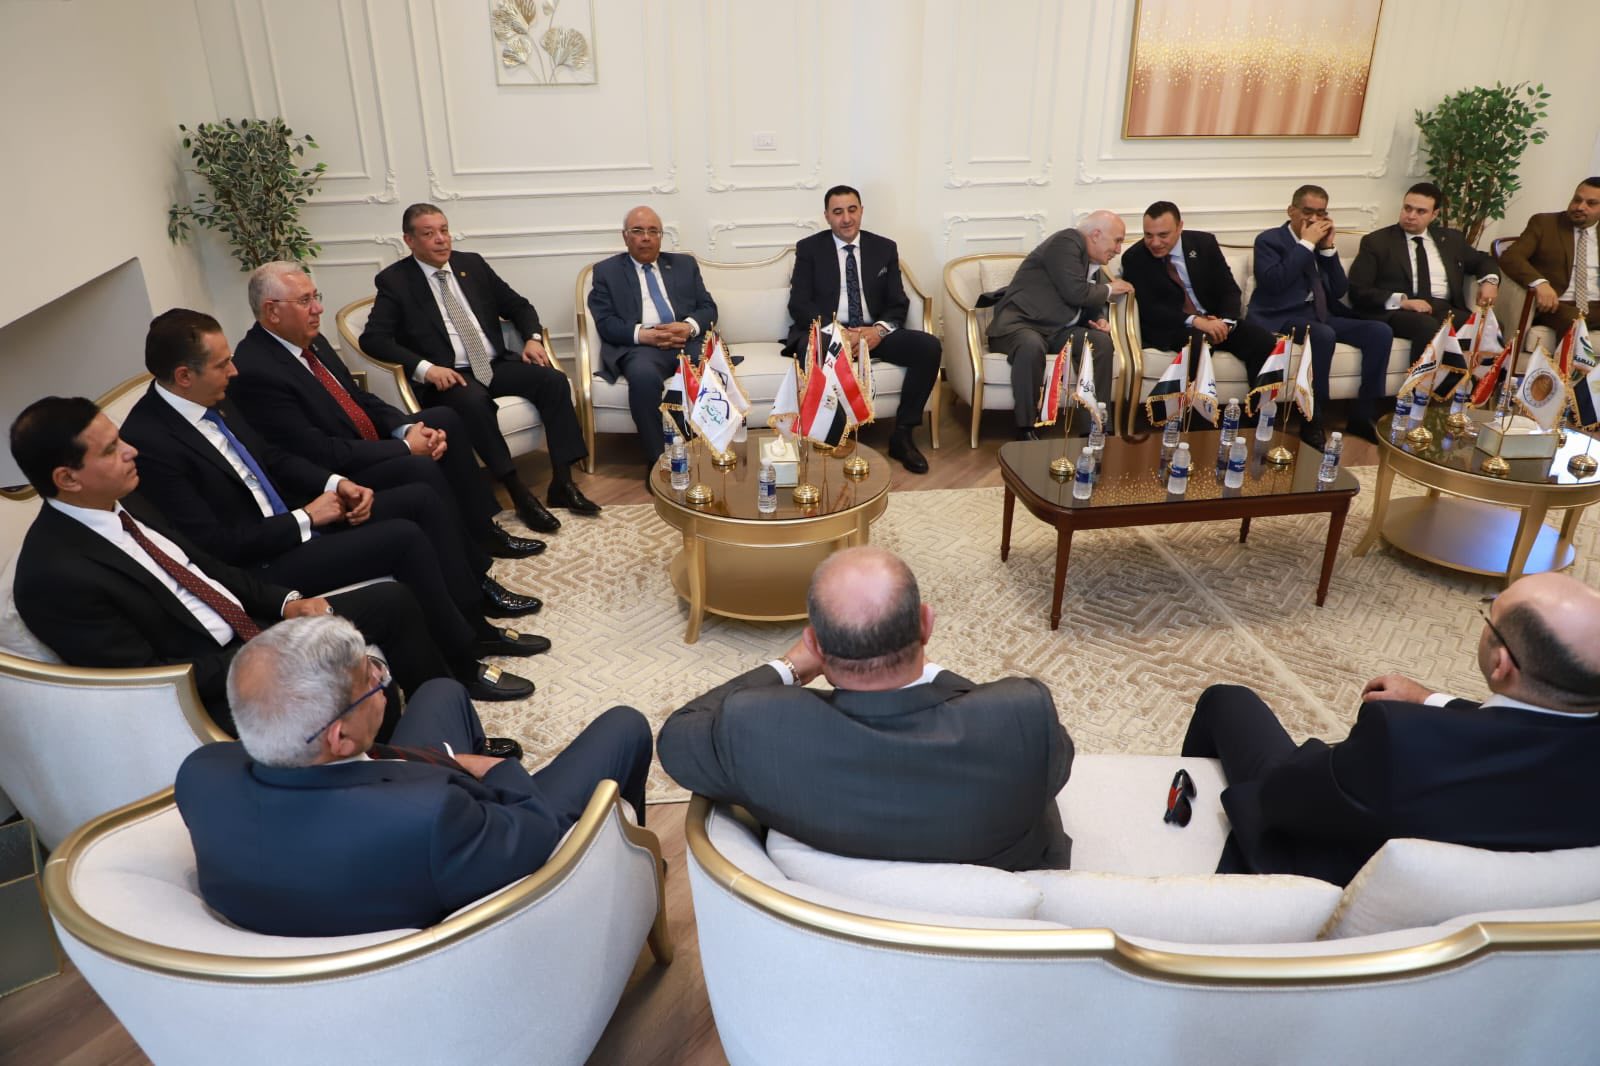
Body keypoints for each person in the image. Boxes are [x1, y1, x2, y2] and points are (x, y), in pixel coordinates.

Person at [120, 310, 538, 702]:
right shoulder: (150, 442)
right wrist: (306, 518)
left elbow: (271, 458)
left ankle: (475, 622)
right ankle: (460, 667)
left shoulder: (213, 397)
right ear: (184, 376)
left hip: (293, 520)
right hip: (261, 563)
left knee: (420, 499)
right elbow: (215, 544)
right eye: (222, 364)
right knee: (403, 539)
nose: (234, 371)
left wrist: (338, 485)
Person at [176, 614, 652, 936]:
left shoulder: (201, 776)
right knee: (625, 725)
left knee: (441, 691)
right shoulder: (431, 816)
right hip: (471, 852)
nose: (382, 683)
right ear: (339, 737)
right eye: (371, 682)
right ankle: (635, 875)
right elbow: (535, 831)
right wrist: (493, 769)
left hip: (380, 809)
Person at [8, 396, 451, 735]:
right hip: (218, 686)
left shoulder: (127, 499)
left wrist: (287, 604)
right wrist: (276, 653)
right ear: (67, 478)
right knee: (363, 697)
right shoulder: (53, 575)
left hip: (252, 630)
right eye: (111, 450)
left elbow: (205, 566)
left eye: (121, 439)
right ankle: (396, 768)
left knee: (391, 602)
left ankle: (443, 733)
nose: (131, 450)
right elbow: (150, 680)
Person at [657, 546, 1074, 871]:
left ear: (814, 644)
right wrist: (933, 675)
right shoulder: (1022, 718)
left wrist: (791, 666)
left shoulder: (757, 727)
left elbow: (678, 736)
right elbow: (1051, 765)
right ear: (926, 624)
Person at [1181, 572, 1600, 887]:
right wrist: (1431, 699)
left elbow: (1280, 797)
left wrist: (1329, 760)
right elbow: (1527, 731)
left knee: (1227, 701)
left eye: (1490, 615)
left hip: (1315, 882)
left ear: (1500, 664)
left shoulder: (1400, 740)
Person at [228, 261, 544, 561]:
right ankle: (466, 557)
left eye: (315, 297)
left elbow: (358, 398)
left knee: (444, 419)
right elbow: (320, 451)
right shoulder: (257, 370)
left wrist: (406, 429)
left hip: (357, 440)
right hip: (336, 472)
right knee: (419, 466)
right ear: (272, 311)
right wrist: (406, 447)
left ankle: (483, 530)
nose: (318, 308)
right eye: (304, 301)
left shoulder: (311, 341)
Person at [360, 203, 599, 533]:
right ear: (409, 240)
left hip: (492, 364)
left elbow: (519, 306)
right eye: (429, 233)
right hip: (449, 376)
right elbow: (373, 338)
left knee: (553, 381)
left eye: (444, 230)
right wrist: (426, 369)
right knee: (474, 402)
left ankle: (562, 483)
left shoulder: (471, 264)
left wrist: (532, 340)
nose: (441, 239)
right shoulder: (395, 280)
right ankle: (519, 494)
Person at [783, 185, 942, 473]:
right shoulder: (809, 249)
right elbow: (799, 304)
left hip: (871, 333)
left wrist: (877, 331)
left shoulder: (884, 248)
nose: (846, 219)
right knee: (812, 349)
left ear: (861, 211)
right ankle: (829, 435)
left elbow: (898, 303)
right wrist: (837, 332)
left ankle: (903, 435)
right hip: (829, 332)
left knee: (928, 347)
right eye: (838, 212)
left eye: (852, 210)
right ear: (827, 216)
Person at [1246, 185, 1393, 448]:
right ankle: (1313, 420)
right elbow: (1274, 283)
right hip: (1280, 317)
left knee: (1379, 332)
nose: (1314, 219)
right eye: (1307, 212)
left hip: (1319, 314)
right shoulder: (1269, 240)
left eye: (1321, 213)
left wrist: (1327, 249)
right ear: (1291, 211)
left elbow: (1338, 290)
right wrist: (1305, 244)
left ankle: (1362, 416)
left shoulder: (1320, 243)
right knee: (1323, 335)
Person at [586, 205, 719, 464]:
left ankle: (705, 456)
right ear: (625, 236)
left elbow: (708, 308)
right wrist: (643, 335)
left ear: (660, 236)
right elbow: (605, 322)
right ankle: (659, 462)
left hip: (685, 341)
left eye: (653, 231)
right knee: (643, 378)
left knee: (711, 367)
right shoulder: (606, 272)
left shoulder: (684, 265)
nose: (646, 237)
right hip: (641, 349)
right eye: (638, 231)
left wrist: (688, 326)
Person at [986, 211, 1133, 438]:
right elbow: (1075, 292)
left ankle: (1096, 427)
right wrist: (1110, 289)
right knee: (1031, 344)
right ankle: (1026, 427)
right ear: (1096, 235)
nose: (1118, 249)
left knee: (1100, 342)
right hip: (1020, 325)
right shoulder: (1067, 241)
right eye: (1117, 241)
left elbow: (1084, 299)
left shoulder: (1091, 260)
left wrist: (1099, 319)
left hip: (1057, 331)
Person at [1119, 201, 1274, 396]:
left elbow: (1229, 289)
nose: (1155, 242)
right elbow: (1151, 309)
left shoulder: (1204, 244)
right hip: (1171, 327)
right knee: (1198, 341)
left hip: (1214, 321)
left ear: (1180, 227)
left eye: (1163, 235)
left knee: (1263, 341)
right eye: (1148, 235)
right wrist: (1196, 321)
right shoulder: (1135, 257)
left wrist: (1225, 323)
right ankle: (1188, 410)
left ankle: (1257, 409)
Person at [1348, 182, 1500, 363]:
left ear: (1434, 214)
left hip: (1442, 308)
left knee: (1487, 327)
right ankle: (1421, 381)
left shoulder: (1450, 239)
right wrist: (1402, 301)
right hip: (1400, 311)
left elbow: (1483, 260)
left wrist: (1490, 282)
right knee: (1428, 325)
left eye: (1420, 211)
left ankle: (1476, 381)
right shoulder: (1377, 242)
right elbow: (1358, 289)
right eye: (1407, 208)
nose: (1411, 216)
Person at [1498, 177, 1600, 337]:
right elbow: (1511, 257)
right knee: (1574, 320)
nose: (1580, 207)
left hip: (1595, 305)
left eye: (1591, 203)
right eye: (1577, 200)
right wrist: (1539, 283)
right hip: (1557, 305)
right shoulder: (1544, 223)